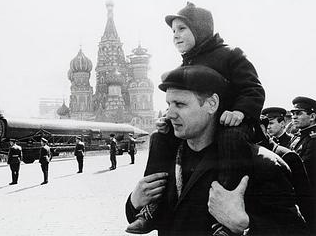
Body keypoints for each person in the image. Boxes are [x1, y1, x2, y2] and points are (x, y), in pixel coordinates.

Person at [126, 2, 265, 233]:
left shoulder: (230, 55)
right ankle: (151, 206)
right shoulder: (187, 61)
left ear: (199, 30)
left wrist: (240, 112)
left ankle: (224, 218)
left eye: (182, 29)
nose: (175, 36)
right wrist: (170, 117)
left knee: (231, 138)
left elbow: (253, 89)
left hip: (232, 124)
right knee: (159, 138)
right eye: (173, 31)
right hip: (201, 128)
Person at [125, 65, 308, 236]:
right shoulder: (169, 157)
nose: (170, 114)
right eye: (168, 105)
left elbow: (297, 230)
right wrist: (134, 202)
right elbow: (157, 218)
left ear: (212, 104)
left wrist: (245, 224)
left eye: (180, 105)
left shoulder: (262, 164)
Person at [289, 96, 316, 233]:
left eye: (299, 113)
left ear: (312, 116)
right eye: (293, 113)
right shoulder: (297, 137)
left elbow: (304, 168)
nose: (294, 117)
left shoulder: (313, 139)